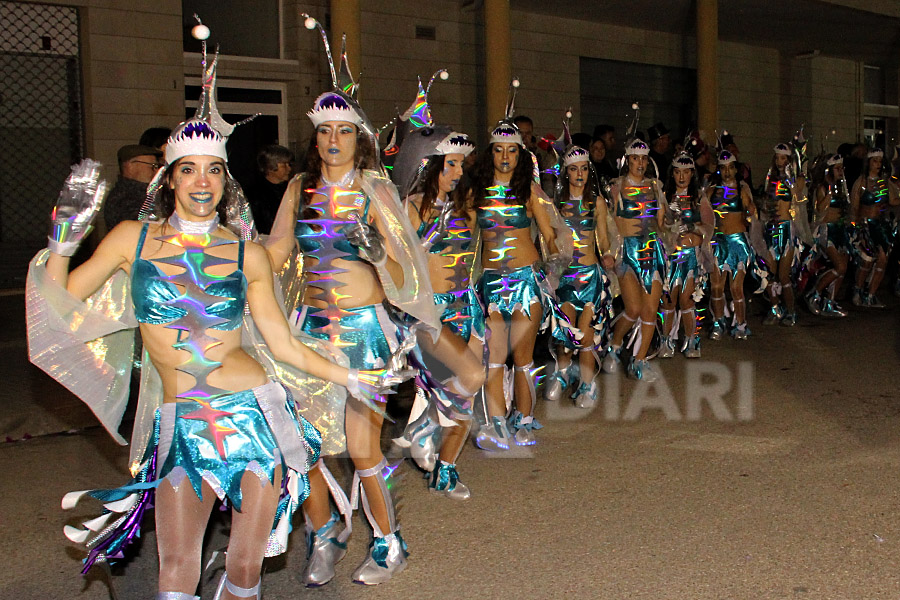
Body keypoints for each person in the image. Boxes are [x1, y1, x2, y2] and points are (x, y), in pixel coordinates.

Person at [33, 120, 401, 600]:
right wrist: (62, 244)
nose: (202, 182)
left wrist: (351, 375)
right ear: (169, 179)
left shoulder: (248, 254)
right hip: (183, 423)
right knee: (176, 571)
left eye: (213, 171)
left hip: (254, 415)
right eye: (188, 170)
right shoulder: (131, 239)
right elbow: (58, 309)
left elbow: (283, 345)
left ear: (226, 180)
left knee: (246, 568)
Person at [264, 15, 444, 585]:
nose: (334, 140)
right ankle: (326, 533)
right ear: (314, 137)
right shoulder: (299, 187)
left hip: (365, 331)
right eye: (324, 131)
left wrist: (375, 254)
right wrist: (223, 247)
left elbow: (406, 268)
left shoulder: (376, 188)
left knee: (364, 450)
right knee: (302, 443)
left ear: (359, 138)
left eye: (344, 131)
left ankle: (389, 542)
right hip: (309, 329)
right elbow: (272, 253)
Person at [467, 107, 573, 450]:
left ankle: (524, 419)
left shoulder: (529, 191)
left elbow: (550, 235)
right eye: (499, 150)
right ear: (490, 153)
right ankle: (497, 421)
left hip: (526, 280)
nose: (505, 157)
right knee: (495, 356)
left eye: (512, 150)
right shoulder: (476, 194)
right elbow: (467, 241)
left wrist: (553, 273)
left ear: (520, 154)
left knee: (523, 356)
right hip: (492, 284)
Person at [391, 123, 484, 499]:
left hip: (466, 307)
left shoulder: (463, 205)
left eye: (462, 165)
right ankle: (425, 422)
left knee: (468, 392)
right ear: (429, 164)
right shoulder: (410, 208)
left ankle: (445, 468)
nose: (459, 173)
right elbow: (396, 267)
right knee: (473, 374)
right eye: (452, 164)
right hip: (429, 312)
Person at [544, 145, 615, 408]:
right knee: (565, 332)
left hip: (589, 277)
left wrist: (607, 254)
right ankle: (563, 373)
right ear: (566, 173)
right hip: (565, 278)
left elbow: (605, 238)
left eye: (584, 168)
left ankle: (587, 383)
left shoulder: (596, 202)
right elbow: (548, 238)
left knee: (586, 335)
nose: (580, 174)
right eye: (574, 169)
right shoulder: (556, 204)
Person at [601, 138, 667, 381]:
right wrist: (610, 251)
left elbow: (662, 223)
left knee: (651, 309)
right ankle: (614, 344)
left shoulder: (655, 186)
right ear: (627, 159)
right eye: (635, 158)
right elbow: (610, 224)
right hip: (626, 251)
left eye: (644, 159)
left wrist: (676, 224)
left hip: (652, 250)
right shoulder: (616, 187)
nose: (640, 163)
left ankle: (639, 361)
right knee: (634, 308)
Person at [658, 151, 713, 358]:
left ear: (692, 174)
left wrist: (695, 229)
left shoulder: (699, 198)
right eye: (678, 172)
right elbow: (658, 224)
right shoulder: (664, 196)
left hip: (690, 256)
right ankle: (666, 340)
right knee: (668, 300)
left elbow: (709, 226)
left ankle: (692, 340)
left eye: (686, 172)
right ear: (672, 174)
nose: (682, 177)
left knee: (687, 299)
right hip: (670, 255)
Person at [706, 150, 758, 339]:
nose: (727, 172)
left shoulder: (742, 190)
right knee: (717, 287)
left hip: (737, 242)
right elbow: (703, 216)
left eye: (730, 168)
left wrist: (751, 212)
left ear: (736, 169)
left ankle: (741, 324)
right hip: (718, 242)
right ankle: (718, 322)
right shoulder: (711, 191)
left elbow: (751, 213)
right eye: (723, 168)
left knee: (736, 287)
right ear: (719, 170)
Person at [761, 142, 808, 326]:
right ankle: (775, 308)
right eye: (778, 158)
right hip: (771, 227)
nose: (780, 162)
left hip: (787, 229)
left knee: (783, 275)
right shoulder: (770, 178)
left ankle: (791, 311)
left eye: (784, 158)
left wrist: (792, 180)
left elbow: (800, 197)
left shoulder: (798, 179)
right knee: (769, 272)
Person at [849, 147, 900, 307]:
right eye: (874, 161)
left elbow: (892, 200)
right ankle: (857, 290)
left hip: (880, 225)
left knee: (883, 259)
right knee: (867, 261)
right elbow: (854, 207)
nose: (878, 164)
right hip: (865, 225)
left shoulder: (884, 182)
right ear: (869, 163)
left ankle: (871, 294)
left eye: (880, 161)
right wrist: (854, 226)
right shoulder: (861, 182)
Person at [804, 153, 850, 317]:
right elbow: (819, 209)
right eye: (837, 169)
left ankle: (829, 302)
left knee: (843, 268)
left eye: (841, 168)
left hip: (840, 230)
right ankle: (814, 293)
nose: (840, 171)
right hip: (826, 231)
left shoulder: (842, 187)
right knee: (840, 266)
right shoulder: (822, 187)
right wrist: (830, 191)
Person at [103, 144, 163, 230]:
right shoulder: (124, 199)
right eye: (153, 166)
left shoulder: (145, 192)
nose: (156, 171)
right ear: (130, 167)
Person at [245, 144, 294, 235]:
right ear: (270, 167)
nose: (289, 168)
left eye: (289, 164)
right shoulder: (254, 194)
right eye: (284, 165)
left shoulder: (292, 189)